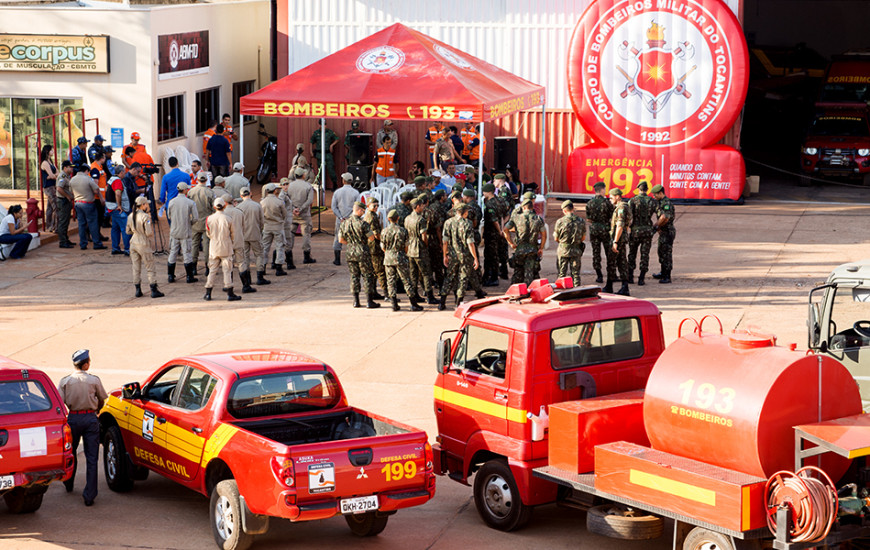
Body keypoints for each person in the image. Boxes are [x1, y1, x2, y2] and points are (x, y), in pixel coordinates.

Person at [58, 349, 108, 507]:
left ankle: (69, 483)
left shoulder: (65, 381)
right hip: (90, 418)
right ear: (85, 364)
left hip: (73, 418)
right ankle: (89, 495)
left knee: (70, 453)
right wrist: (96, 410)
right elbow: (102, 399)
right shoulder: (93, 380)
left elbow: (60, 403)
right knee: (92, 458)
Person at [338, 201, 380, 309]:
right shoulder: (363, 224)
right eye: (363, 211)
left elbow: (341, 240)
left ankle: (356, 301)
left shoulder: (344, 223)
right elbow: (371, 238)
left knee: (354, 276)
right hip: (362, 252)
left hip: (350, 252)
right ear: (359, 210)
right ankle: (369, 301)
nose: (364, 213)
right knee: (367, 276)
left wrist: (351, 243)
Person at [381, 209, 423, 312]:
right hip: (400, 257)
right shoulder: (403, 231)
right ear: (398, 218)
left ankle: (394, 304)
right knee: (406, 281)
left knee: (390, 281)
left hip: (388, 258)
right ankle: (413, 304)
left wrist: (389, 253)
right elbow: (406, 246)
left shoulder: (384, 231)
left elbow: (383, 247)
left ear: (388, 219)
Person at [439, 204, 478, 310]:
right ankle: (458, 303)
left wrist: (445, 255)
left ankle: (442, 302)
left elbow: (445, 241)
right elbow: (470, 243)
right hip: (465, 255)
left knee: (449, 277)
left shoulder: (448, 222)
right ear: (465, 212)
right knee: (463, 278)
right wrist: (475, 257)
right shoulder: (467, 223)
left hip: (452, 255)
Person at [126, 196, 164, 298]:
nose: (147, 205)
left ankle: (138, 289)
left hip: (133, 242)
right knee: (150, 267)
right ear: (143, 205)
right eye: (146, 204)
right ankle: (153, 289)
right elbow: (148, 232)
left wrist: (136, 231)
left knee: (136, 267)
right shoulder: (145, 216)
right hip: (143, 243)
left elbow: (128, 231)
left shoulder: (130, 216)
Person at [204, 197, 241, 301]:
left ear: (214, 207)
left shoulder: (209, 218)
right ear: (224, 206)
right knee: (227, 270)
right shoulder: (228, 218)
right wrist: (230, 241)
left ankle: (208, 293)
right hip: (226, 246)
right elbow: (233, 233)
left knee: (212, 270)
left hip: (214, 246)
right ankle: (230, 293)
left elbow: (208, 232)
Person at [504, 198, 545, 286]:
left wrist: (511, 243)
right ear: (532, 207)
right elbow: (544, 235)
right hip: (532, 249)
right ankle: (529, 289)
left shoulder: (516, 218)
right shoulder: (538, 219)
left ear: (523, 207)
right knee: (530, 272)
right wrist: (541, 248)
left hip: (520, 249)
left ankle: (515, 289)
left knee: (518, 271)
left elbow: (505, 229)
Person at [166, 182, 198, 284]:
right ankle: (189, 276)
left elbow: (169, 215)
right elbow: (195, 218)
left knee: (173, 252)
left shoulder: (171, 202)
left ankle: (170, 275)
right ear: (185, 190)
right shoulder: (190, 203)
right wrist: (189, 223)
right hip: (185, 231)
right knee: (187, 253)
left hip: (174, 230)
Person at [237, 187, 269, 287]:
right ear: (250, 193)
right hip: (255, 233)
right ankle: (260, 277)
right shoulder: (257, 205)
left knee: (245, 256)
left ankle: (248, 278)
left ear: (241, 196)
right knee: (259, 254)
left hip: (243, 235)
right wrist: (259, 230)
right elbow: (262, 221)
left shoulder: (238, 207)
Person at [628, 181, 657, 286]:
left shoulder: (632, 201)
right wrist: (654, 228)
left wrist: (629, 227)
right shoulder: (652, 201)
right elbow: (660, 215)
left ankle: (630, 277)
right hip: (647, 231)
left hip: (635, 231)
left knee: (632, 253)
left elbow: (629, 217)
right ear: (647, 189)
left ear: (638, 189)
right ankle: (641, 278)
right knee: (645, 255)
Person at [586, 181, 615, 284]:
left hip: (594, 229)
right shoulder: (607, 203)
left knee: (596, 252)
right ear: (602, 189)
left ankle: (599, 275)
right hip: (605, 229)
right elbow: (612, 216)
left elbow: (588, 219)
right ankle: (611, 274)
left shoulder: (590, 203)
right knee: (609, 252)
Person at [70, 168, 106, 250]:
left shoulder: (72, 180)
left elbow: (71, 191)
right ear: (86, 171)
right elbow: (96, 190)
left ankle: (83, 244)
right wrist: (100, 197)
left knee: (81, 224)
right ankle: (97, 243)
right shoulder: (88, 179)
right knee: (93, 224)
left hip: (78, 203)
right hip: (88, 203)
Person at [286, 166, 316, 265]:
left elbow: (287, 199)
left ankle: (288, 256)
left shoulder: (290, 186)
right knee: (306, 234)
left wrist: (294, 209)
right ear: (303, 175)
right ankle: (306, 256)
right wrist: (301, 208)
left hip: (292, 214)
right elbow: (310, 200)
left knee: (290, 234)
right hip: (304, 215)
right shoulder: (308, 186)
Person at [553, 200, 586, 285]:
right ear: (573, 209)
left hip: (563, 250)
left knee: (561, 274)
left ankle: (561, 290)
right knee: (576, 275)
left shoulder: (560, 221)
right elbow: (583, 237)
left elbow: (556, 238)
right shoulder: (581, 221)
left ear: (564, 210)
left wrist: (562, 242)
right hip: (576, 250)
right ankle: (577, 290)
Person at [189, 174, 215, 272]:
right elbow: (214, 208)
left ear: (197, 180)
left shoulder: (191, 191)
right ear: (206, 179)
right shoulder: (210, 192)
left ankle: (193, 267)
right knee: (207, 244)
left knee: (194, 244)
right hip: (207, 222)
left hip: (195, 221)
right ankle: (208, 267)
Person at [260, 183, 287, 277]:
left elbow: (260, 215)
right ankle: (279, 267)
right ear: (275, 191)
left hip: (267, 226)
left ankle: (262, 267)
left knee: (265, 247)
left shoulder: (262, 202)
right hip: (277, 226)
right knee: (279, 246)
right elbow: (284, 214)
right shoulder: (279, 201)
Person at [332, 172, 360, 265]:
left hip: (340, 219)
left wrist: (340, 216)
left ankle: (337, 259)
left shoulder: (337, 192)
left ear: (343, 181)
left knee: (338, 237)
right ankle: (353, 259)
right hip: (351, 219)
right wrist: (351, 217)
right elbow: (358, 207)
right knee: (353, 238)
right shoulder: (356, 193)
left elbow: (334, 207)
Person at [608, 188, 632, 295]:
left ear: (617, 197)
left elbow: (620, 225)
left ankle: (611, 286)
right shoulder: (623, 206)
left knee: (613, 262)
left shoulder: (621, 208)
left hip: (618, 239)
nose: (610, 200)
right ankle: (623, 286)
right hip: (621, 238)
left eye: (611, 198)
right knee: (621, 262)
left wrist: (615, 242)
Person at [223, 194, 248, 292]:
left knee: (228, 264)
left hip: (226, 242)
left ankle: (228, 285)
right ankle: (245, 285)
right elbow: (244, 227)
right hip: (238, 240)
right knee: (241, 262)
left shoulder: (222, 213)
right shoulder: (239, 212)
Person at [364, 197, 387, 300]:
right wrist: (384, 241)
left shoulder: (370, 215)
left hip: (370, 246)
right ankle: (387, 294)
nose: (376, 207)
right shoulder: (372, 217)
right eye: (374, 205)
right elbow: (376, 234)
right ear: (368, 206)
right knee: (380, 270)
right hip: (374, 247)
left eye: (377, 205)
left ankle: (373, 292)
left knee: (373, 270)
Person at [481, 183, 504, 287]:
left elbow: (494, 220)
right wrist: (501, 230)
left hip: (491, 233)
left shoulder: (490, 204)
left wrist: (499, 231)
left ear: (489, 192)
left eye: (484, 191)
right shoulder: (499, 201)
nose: (483, 193)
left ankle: (494, 278)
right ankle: (488, 276)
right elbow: (502, 216)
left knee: (491, 255)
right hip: (496, 233)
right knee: (493, 254)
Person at [652, 184, 675, 284]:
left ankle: (667, 276)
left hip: (667, 232)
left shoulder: (666, 203)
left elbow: (665, 218)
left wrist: (656, 225)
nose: (654, 196)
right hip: (663, 231)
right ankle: (663, 272)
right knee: (661, 252)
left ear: (660, 193)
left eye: (655, 194)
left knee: (666, 254)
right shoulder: (660, 202)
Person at [107, 165, 132, 256]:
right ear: (121, 172)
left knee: (115, 228)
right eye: (124, 172)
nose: (125, 173)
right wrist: (119, 205)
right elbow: (118, 193)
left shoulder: (111, 179)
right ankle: (127, 249)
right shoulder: (117, 181)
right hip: (117, 208)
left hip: (112, 207)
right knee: (125, 228)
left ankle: (115, 248)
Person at [311, 119, 338, 190]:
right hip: (319, 154)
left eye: (325, 124)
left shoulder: (330, 132)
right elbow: (311, 141)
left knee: (331, 169)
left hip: (327, 154)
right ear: (319, 125)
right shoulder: (316, 133)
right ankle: (322, 186)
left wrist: (332, 145)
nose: (323, 126)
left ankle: (334, 184)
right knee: (320, 170)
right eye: (322, 124)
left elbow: (337, 139)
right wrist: (311, 151)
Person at [56, 161, 75, 248]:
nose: (72, 169)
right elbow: (59, 188)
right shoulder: (62, 176)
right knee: (63, 222)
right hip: (63, 200)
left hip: (66, 201)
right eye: (70, 167)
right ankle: (63, 241)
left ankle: (65, 239)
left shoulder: (67, 176)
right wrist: (67, 196)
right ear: (65, 167)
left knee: (66, 221)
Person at [278, 178, 296, 271]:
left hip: (288, 220)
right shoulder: (282, 196)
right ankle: (289, 263)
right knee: (287, 241)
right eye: (283, 185)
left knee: (283, 241)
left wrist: (293, 209)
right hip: (285, 222)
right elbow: (281, 209)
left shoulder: (286, 194)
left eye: (287, 184)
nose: (285, 186)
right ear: (281, 186)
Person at [40, 144, 58, 232]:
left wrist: (52, 176)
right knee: (56, 206)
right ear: (47, 151)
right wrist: (52, 176)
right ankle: (54, 226)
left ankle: (50, 226)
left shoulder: (50, 161)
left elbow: (57, 173)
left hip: (52, 185)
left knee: (50, 207)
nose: (53, 151)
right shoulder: (45, 163)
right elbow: (52, 175)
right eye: (51, 150)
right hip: (48, 187)